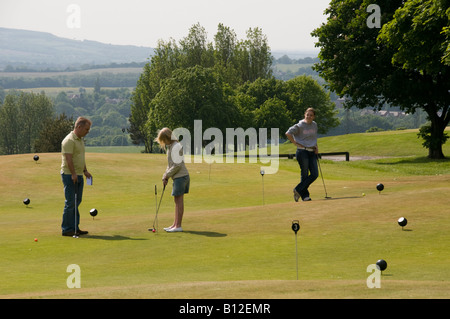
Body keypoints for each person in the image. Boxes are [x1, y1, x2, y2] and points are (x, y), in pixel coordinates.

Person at [60, 117, 92, 236]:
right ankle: (67, 229)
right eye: (86, 129)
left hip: (78, 174)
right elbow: (69, 159)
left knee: (77, 201)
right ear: (79, 127)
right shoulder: (69, 140)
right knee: (70, 202)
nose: (87, 132)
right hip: (69, 175)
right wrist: (73, 174)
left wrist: (85, 171)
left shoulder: (80, 140)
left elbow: (80, 157)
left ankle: (75, 227)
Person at [155, 128, 190, 232]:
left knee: (179, 201)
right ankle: (175, 224)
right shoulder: (171, 146)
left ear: (167, 137)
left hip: (181, 177)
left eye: (164, 140)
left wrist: (168, 175)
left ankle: (178, 226)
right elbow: (170, 165)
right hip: (178, 177)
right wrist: (165, 176)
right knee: (176, 200)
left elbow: (177, 165)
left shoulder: (176, 147)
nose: (163, 143)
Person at [286, 107, 319, 202]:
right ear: (305, 115)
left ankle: (298, 189)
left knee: (314, 174)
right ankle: (305, 196)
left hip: (312, 151)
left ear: (314, 117)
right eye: (307, 114)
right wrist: (295, 143)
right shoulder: (300, 125)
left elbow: (314, 137)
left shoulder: (314, 125)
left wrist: (316, 147)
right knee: (304, 174)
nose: (309, 116)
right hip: (302, 151)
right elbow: (288, 133)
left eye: (311, 115)